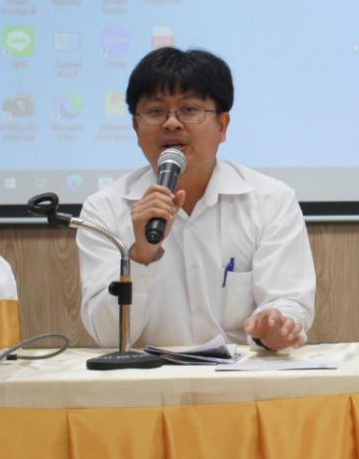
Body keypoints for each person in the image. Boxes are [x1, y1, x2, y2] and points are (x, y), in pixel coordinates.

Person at [77, 47, 315, 350]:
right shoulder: (104, 210)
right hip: (147, 377)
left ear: (222, 126)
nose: (171, 123)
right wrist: (141, 256)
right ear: (135, 128)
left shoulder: (271, 200)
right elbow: (109, 336)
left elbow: (289, 301)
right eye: (155, 111)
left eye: (189, 109)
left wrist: (275, 326)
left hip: (241, 374)